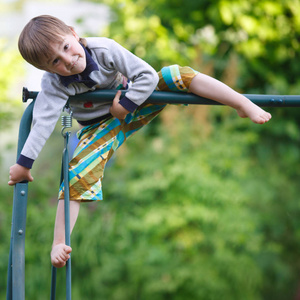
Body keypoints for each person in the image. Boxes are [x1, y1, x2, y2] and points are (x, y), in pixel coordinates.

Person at [8, 15, 271, 268]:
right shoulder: (53, 83)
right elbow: (43, 121)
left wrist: (124, 105)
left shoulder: (104, 49)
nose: (68, 59)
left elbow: (147, 76)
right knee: (77, 172)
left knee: (176, 74)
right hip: (98, 129)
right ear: (46, 69)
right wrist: (24, 163)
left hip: (134, 104)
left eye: (67, 47)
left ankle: (241, 102)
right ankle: (59, 243)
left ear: (74, 33)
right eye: (56, 61)